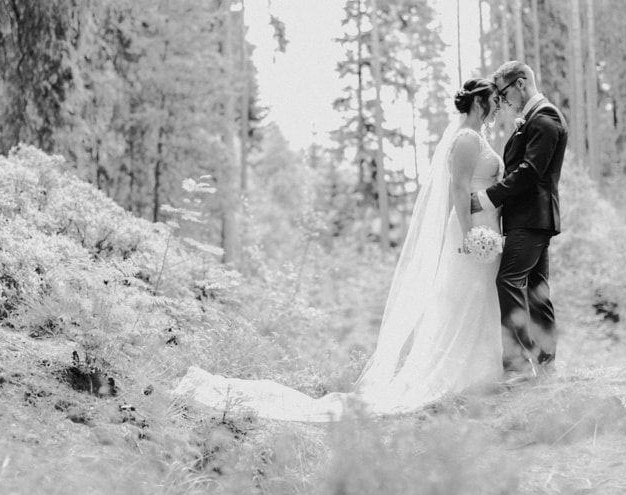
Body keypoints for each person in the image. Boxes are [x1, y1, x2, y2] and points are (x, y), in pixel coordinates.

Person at [174, 78, 505, 421]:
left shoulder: (477, 138)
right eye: (494, 100)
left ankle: (480, 371)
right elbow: (458, 190)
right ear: (480, 103)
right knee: (469, 294)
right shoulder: (466, 139)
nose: (498, 106)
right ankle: (464, 376)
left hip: (484, 227)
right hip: (472, 233)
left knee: (475, 296)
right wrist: (469, 236)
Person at [470, 61, 568, 378]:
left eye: (504, 91)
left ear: (521, 83)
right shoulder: (532, 119)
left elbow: (530, 171)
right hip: (529, 218)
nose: (504, 100)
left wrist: (487, 197)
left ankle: (519, 366)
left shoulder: (545, 117)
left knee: (508, 281)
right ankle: (545, 365)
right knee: (537, 291)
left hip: (531, 218)